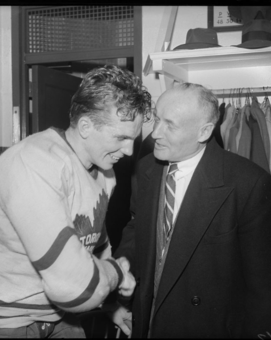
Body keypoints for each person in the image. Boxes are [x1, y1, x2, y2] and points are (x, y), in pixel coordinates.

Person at [0, 64, 152, 338]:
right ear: (85, 126)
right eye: (121, 137)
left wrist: (111, 303)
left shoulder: (105, 173)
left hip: (55, 312)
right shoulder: (33, 164)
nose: (129, 151)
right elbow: (75, 288)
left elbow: (94, 237)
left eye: (133, 139)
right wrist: (116, 273)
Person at [110, 83, 271, 338]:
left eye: (170, 125)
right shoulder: (145, 169)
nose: (155, 134)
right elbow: (137, 229)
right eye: (156, 118)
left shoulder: (248, 182)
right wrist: (120, 279)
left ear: (204, 131)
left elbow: (262, 284)